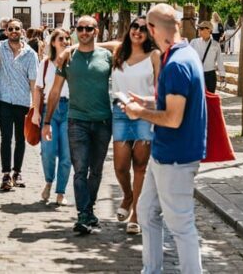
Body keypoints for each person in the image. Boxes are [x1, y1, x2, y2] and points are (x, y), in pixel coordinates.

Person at [122, 3, 206, 274]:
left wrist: (139, 112)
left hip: (176, 157)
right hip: (164, 154)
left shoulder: (176, 64)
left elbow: (173, 117)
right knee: (145, 211)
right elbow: (171, 100)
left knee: (181, 226)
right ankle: (151, 269)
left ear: (153, 29)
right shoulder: (183, 54)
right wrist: (146, 100)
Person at [43, 15, 113, 234]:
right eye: (80, 28)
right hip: (77, 121)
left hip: (103, 120)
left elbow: (121, 44)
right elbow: (54, 91)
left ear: (96, 31)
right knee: (80, 169)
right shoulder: (68, 59)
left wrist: (71, 45)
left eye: (88, 29)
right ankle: (83, 214)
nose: (84, 32)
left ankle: (89, 209)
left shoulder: (106, 56)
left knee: (97, 170)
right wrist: (46, 121)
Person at [109, 16, 160, 235]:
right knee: (120, 166)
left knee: (140, 165)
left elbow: (159, 90)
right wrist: (67, 49)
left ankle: (136, 214)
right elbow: (93, 43)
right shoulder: (118, 51)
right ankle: (128, 195)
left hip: (144, 115)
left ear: (150, 33)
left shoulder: (154, 56)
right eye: (134, 26)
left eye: (143, 28)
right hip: (120, 112)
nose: (137, 31)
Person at [0, 18, 38, 190]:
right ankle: (5, 174)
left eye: (17, 28)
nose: (13, 31)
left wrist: (35, 106)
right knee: (5, 138)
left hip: (23, 102)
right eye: (10, 28)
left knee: (20, 139)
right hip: (4, 100)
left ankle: (17, 172)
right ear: (6, 31)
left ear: (22, 31)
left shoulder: (30, 54)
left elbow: (33, 82)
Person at [31, 28, 72, 206]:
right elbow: (38, 89)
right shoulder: (45, 64)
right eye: (60, 39)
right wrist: (35, 111)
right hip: (50, 109)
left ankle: (61, 192)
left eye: (67, 39)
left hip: (70, 109)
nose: (64, 41)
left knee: (66, 154)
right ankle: (49, 180)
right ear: (53, 42)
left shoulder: (74, 63)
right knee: (48, 150)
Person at [190, 21, 225, 93]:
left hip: (210, 75)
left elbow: (219, 60)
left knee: (210, 98)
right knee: (196, 98)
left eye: (202, 28)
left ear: (209, 30)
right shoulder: (193, 42)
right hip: (197, 74)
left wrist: (222, 75)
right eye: (198, 28)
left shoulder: (216, 44)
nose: (199, 30)